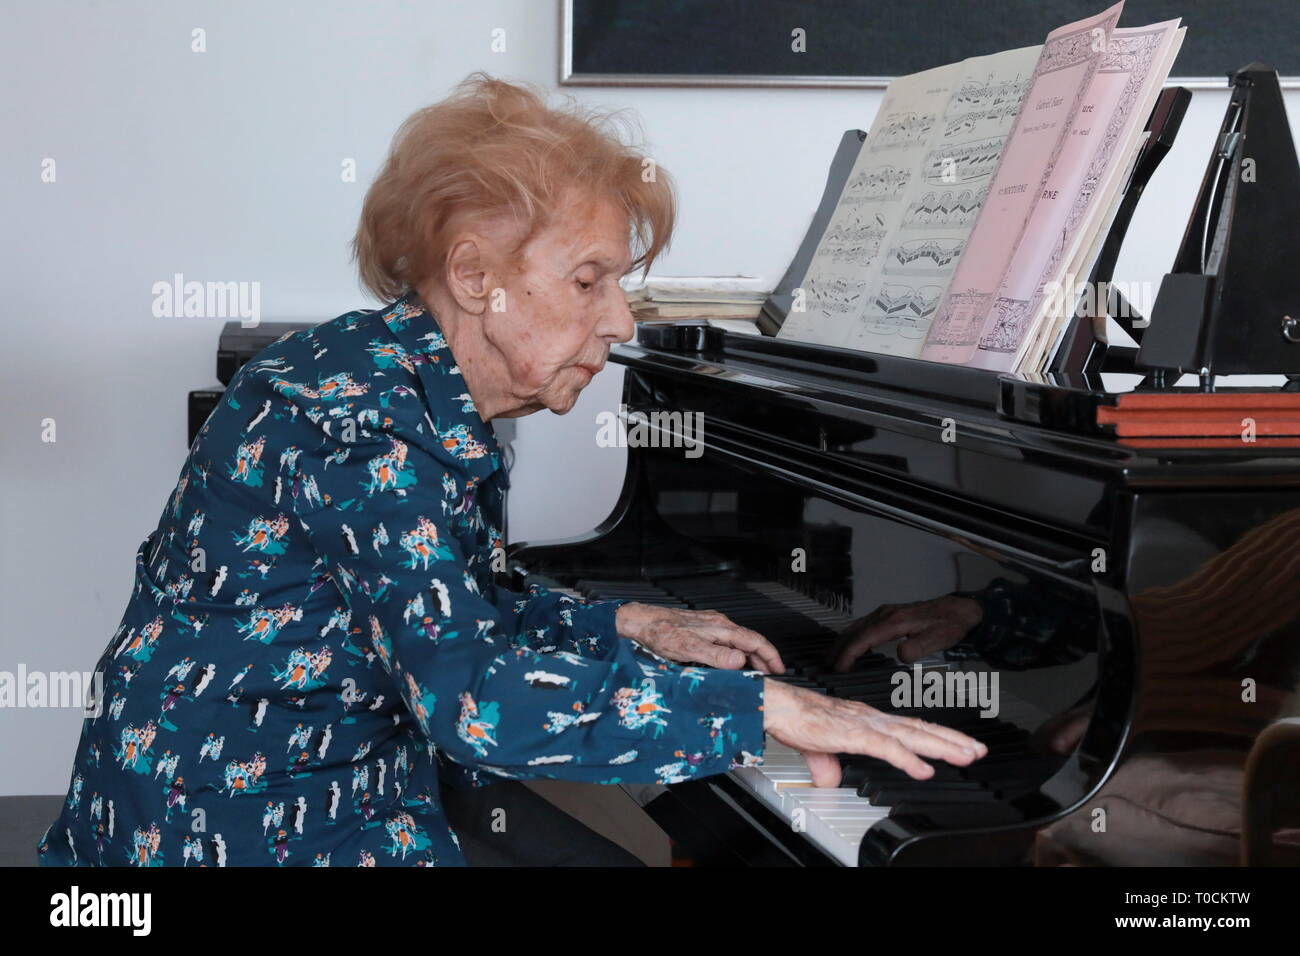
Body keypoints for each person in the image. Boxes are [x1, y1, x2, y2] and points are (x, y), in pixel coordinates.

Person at [38, 73, 984, 867]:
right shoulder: (357, 419)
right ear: (475, 275)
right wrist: (763, 706)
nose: (620, 323)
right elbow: (473, 698)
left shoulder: (416, 385)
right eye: (589, 280)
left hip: (335, 775)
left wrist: (627, 620)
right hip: (228, 821)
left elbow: (461, 602)